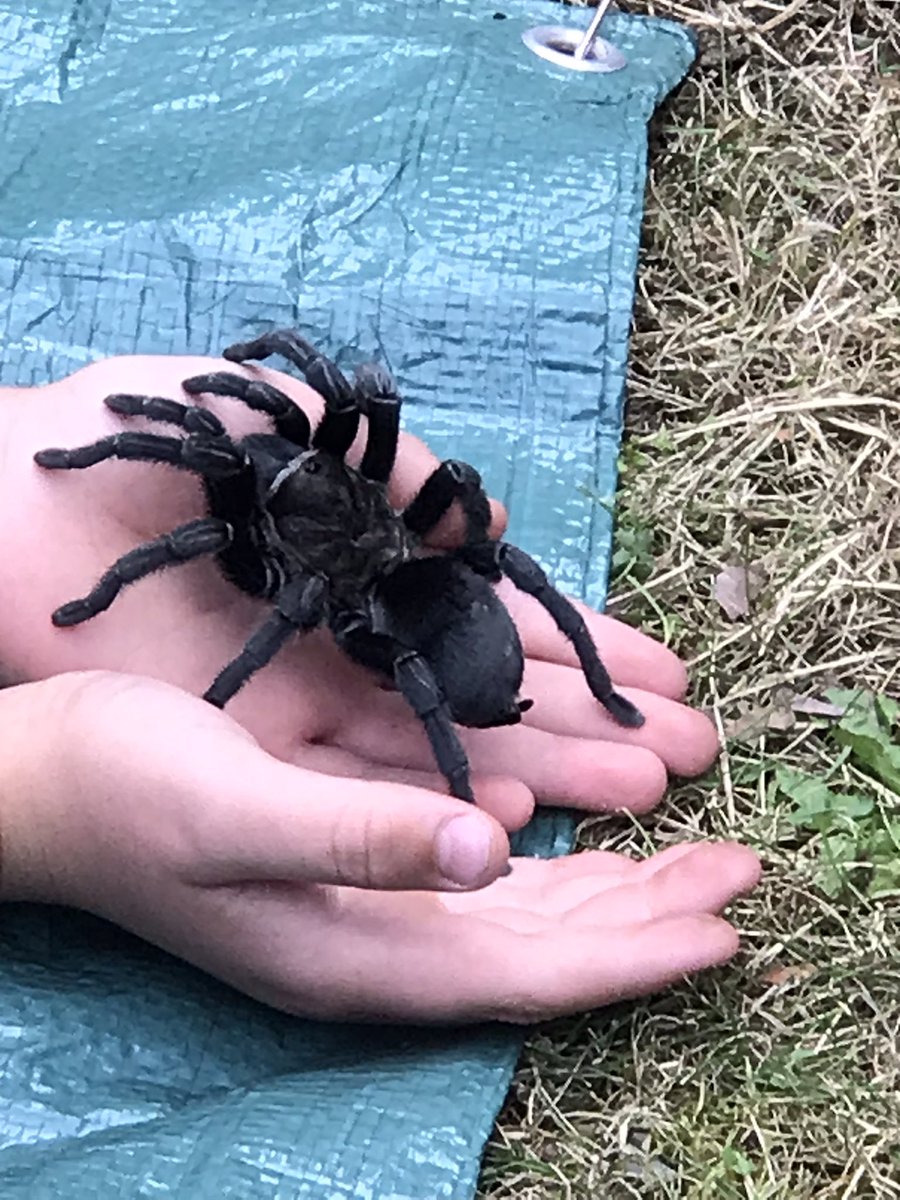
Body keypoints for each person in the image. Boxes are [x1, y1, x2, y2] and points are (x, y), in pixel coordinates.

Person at [0, 353, 761, 1023]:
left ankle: (496, 769)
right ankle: (564, 717)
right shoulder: (329, 487)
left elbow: (284, 537)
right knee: (408, 532)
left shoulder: (281, 546)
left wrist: (217, 691)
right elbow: (368, 421)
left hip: (397, 609)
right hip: (413, 580)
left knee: (297, 577)